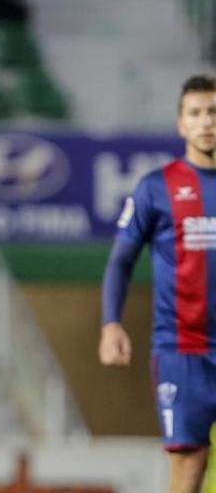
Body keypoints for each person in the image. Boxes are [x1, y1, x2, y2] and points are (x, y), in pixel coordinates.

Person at [99, 75, 216, 493]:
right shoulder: (156, 187)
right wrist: (111, 323)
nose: (206, 122)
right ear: (181, 124)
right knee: (188, 470)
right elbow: (120, 261)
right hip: (181, 352)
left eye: (213, 113)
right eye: (196, 113)